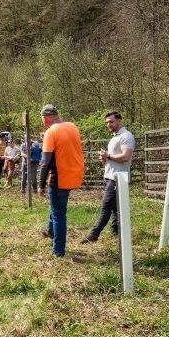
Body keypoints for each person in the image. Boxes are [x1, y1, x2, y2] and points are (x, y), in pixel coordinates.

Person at [81, 112, 135, 244]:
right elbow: (112, 157)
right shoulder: (114, 137)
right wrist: (104, 158)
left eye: (111, 122)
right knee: (115, 208)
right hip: (109, 176)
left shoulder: (126, 136)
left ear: (119, 121)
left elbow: (126, 157)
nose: (108, 125)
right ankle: (116, 231)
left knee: (106, 207)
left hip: (118, 178)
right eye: (107, 122)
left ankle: (94, 234)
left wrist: (108, 156)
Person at [38, 105, 84, 257]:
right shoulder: (72, 126)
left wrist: (40, 185)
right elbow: (64, 146)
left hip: (60, 178)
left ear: (45, 119)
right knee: (56, 205)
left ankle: (58, 250)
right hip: (75, 174)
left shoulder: (51, 132)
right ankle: (50, 231)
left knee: (59, 215)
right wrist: (47, 139)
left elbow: (45, 162)